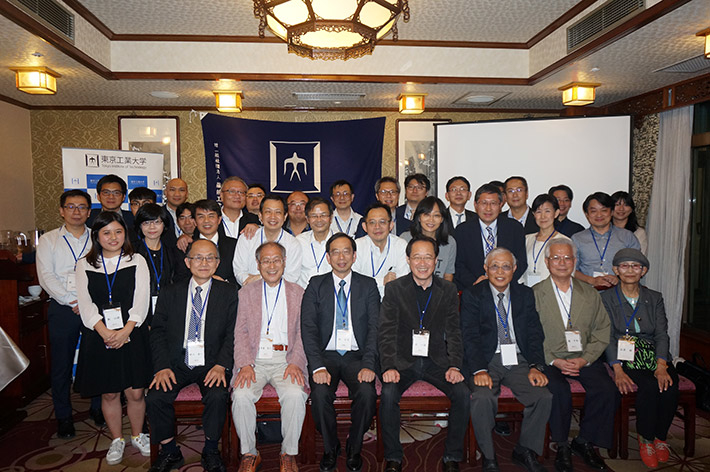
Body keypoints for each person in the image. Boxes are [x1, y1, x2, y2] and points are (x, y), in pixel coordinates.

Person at [378, 236, 470, 472]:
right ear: (408, 260)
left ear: (436, 261)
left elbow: (454, 332)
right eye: (416, 257)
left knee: (461, 392)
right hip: (402, 361)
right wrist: (388, 366)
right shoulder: (394, 289)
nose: (422, 262)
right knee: (388, 394)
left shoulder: (448, 290)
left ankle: (452, 456)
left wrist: (455, 366)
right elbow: (386, 332)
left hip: (436, 361)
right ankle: (393, 457)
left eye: (428, 257)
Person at [146, 239, 237, 472]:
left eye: (210, 258)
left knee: (217, 395)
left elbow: (233, 333)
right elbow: (157, 331)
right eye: (198, 257)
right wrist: (162, 366)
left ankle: (210, 449)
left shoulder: (229, 293)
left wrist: (222, 365)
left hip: (212, 362)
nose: (204, 263)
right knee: (156, 396)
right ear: (187, 262)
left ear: (217, 264)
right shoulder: (170, 291)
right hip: (177, 361)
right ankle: (169, 451)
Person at [461, 248, 551, 472]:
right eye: (494, 266)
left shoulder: (525, 294)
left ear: (515, 269)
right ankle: (489, 457)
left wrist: (535, 366)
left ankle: (525, 449)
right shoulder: (473, 295)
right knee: (482, 397)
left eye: (506, 266)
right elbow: (469, 336)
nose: (500, 271)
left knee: (543, 396)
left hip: (519, 359)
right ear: (485, 269)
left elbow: (534, 333)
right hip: (487, 359)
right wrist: (479, 369)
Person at [533, 238, 618, 472]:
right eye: (556, 258)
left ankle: (584, 442)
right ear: (548, 262)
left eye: (567, 258)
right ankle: (561, 444)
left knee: (605, 390)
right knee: (558, 389)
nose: (562, 262)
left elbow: (602, 330)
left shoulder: (590, 294)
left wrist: (585, 359)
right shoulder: (534, 294)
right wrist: (554, 360)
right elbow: (529, 335)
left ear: (575, 261)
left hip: (583, 356)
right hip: (549, 358)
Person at [74, 211, 152, 465]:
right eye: (106, 232)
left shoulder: (137, 260)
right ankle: (117, 439)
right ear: (96, 236)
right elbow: (85, 305)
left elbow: (142, 300)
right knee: (109, 393)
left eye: (118, 231)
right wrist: (105, 332)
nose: (113, 237)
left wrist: (127, 329)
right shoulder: (84, 264)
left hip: (132, 332)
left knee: (136, 392)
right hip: (99, 336)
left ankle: (138, 435)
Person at [300, 233, 381, 472]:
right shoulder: (316, 284)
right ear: (328, 257)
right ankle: (330, 446)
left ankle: (354, 446)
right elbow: (308, 328)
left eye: (346, 251)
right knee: (321, 393)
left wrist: (369, 364)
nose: (341, 256)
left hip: (357, 357)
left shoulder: (368, 285)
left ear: (355, 256)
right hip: (326, 356)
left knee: (367, 393)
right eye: (335, 251)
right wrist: (316, 366)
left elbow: (375, 328)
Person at [231, 242, 308, 472]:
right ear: (258, 264)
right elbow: (240, 332)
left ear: (284, 263)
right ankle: (250, 453)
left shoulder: (299, 292)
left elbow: (304, 333)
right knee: (241, 395)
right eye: (266, 261)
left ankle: (288, 453)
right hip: (254, 361)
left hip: (287, 359)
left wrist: (296, 362)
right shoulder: (246, 293)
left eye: (276, 260)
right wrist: (244, 364)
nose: (272, 265)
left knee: (295, 394)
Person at [601, 249, 677, 468]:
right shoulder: (605, 298)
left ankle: (660, 437)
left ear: (643, 271)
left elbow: (662, 333)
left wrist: (661, 365)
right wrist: (617, 370)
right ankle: (645, 438)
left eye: (636, 266)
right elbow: (606, 336)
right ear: (616, 270)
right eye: (624, 266)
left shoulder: (654, 297)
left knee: (669, 385)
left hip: (653, 353)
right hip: (623, 355)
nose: (630, 270)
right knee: (649, 386)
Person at [36, 189, 103, 439]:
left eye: (82, 207)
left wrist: (87, 303)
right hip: (63, 308)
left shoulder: (98, 238)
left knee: (95, 359)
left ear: (89, 211)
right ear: (62, 210)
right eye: (71, 206)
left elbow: (103, 272)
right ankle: (63, 416)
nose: (77, 211)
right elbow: (46, 277)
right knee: (61, 365)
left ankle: (97, 408)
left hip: (94, 308)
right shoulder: (49, 240)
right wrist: (71, 300)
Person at [454, 183, 527, 291]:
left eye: (493, 203)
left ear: (501, 204)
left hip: (507, 289)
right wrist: (476, 282)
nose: (488, 208)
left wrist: (503, 282)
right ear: (475, 205)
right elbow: (458, 264)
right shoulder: (462, 230)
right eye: (484, 203)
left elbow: (521, 262)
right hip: (473, 290)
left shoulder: (514, 228)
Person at [571, 192, 640, 289]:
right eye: (594, 211)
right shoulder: (577, 239)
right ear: (587, 214)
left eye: (604, 210)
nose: (599, 215)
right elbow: (571, 269)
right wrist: (592, 280)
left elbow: (636, 266)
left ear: (611, 212)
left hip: (620, 292)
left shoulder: (627, 236)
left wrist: (619, 278)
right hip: (587, 292)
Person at [234, 195, 303, 286]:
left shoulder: (293, 243)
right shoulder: (247, 237)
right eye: (268, 212)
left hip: (282, 295)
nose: (272, 217)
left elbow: (291, 276)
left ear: (285, 216)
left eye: (278, 212)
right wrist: (252, 282)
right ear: (260, 215)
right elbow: (239, 271)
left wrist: (258, 278)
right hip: (250, 292)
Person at [134, 203, 188, 319]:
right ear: (140, 226)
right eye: (146, 223)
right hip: (138, 314)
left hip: (168, 312)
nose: (152, 227)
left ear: (164, 224)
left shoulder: (173, 252)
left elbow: (181, 282)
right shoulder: (132, 253)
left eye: (157, 222)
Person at [352, 202, 409, 299]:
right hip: (363, 301)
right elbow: (355, 281)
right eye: (372, 222)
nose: (377, 227)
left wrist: (369, 282)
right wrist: (382, 280)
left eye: (382, 222)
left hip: (393, 302)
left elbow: (402, 281)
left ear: (391, 225)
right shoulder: (356, 246)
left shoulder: (401, 245)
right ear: (365, 227)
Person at [401, 196, 457, 282]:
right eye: (427, 215)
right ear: (419, 217)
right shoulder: (405, 239)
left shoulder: (450, 242)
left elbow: (448, 275)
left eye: (436, 215)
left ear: (442, 219)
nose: (431, 220)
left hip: (438, 292)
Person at [520, 194, 571, 287]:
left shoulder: (564, 241)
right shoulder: (526, 239)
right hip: (527, 291)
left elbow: (569, 273)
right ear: (534, 214)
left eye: (547, 211)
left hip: (551, 292)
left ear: (556, 213)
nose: (543, 216)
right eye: (538, 212)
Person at [188, 199, 238, 284]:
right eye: (201, 217)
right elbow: (180, 277)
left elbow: (239, 274)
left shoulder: (235, 245)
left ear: (219, 219)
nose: (206, 221)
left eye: (211, 216)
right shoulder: (186, 245)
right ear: (194, 222)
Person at [296, 197, 334, 288]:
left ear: (331, 217)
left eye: (323, 215)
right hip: (304, 294)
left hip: (332, 295)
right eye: (314, 216)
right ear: (307, 219)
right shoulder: (298, 241)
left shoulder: (341, 241)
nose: (319, 220)